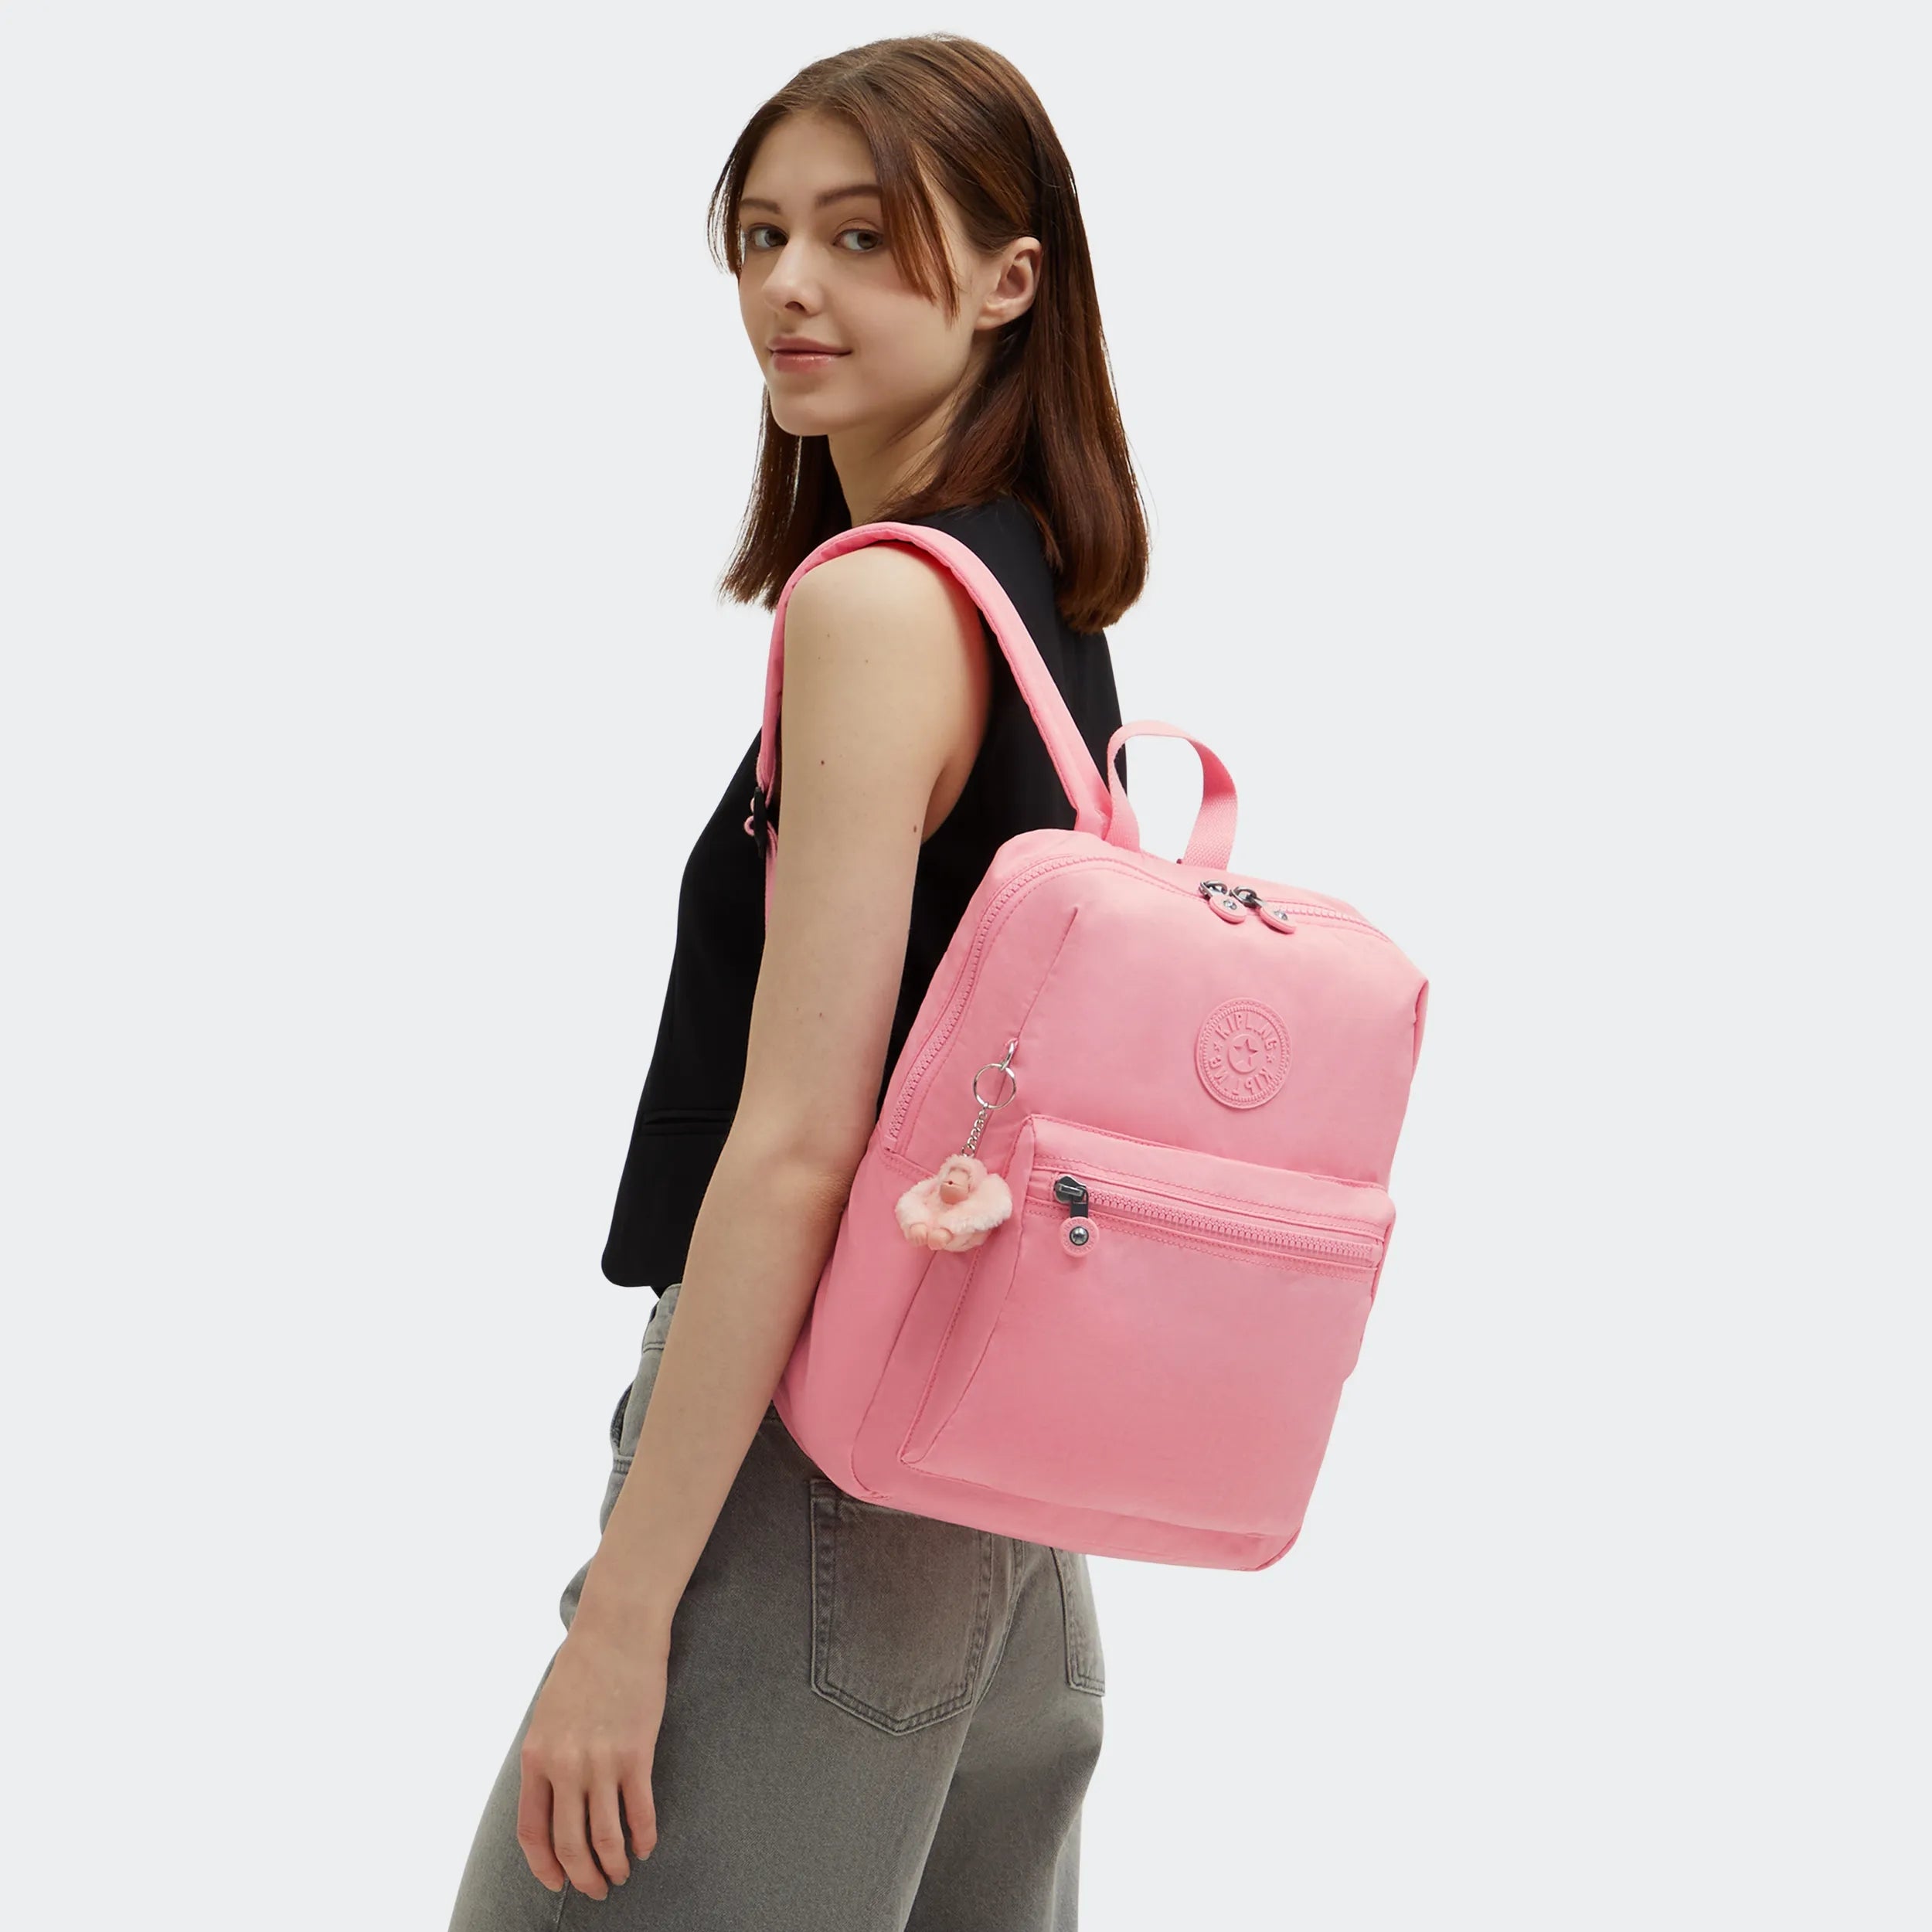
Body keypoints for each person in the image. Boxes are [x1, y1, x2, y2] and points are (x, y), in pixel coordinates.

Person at [448, 33, 1148, 1930]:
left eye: (857, 235)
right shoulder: (1034, 605)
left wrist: (621, 1615)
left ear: (1009, 279)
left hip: (808, 1459)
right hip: (997, 1505)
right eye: (759, 236)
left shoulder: (876, 606)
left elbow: (796, 1146)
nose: (789, 287)